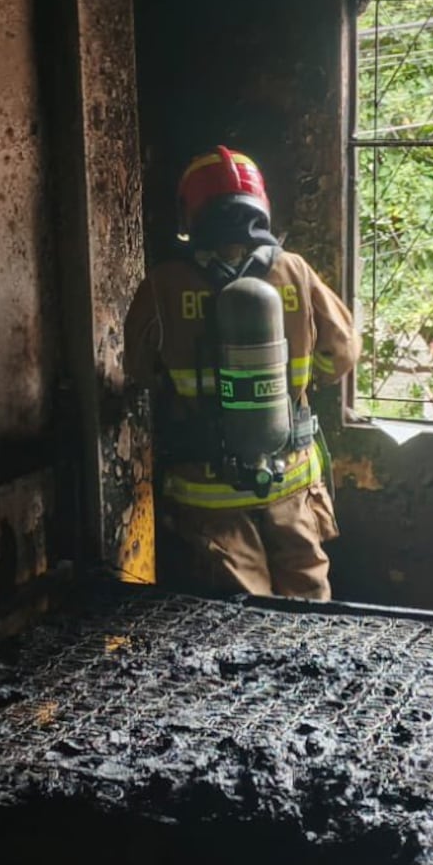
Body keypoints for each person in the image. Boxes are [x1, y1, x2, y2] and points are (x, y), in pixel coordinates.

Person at [123, 146, 358, 601]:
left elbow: (138, 369)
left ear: (190, 212)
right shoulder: (295, 271)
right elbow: (341, 353)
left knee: (242, 622)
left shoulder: (164, 285)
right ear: (261, 207)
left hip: (208, 492)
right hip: (290, 475)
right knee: (309, 606)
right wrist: (300, 384)